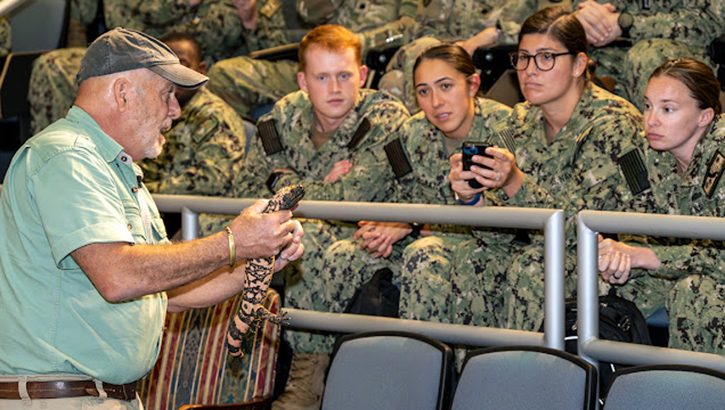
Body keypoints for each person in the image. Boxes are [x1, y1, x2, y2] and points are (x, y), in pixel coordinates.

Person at [0, 28, 303, 410]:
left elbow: (170, 294)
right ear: (123, 92)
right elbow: (119, 276)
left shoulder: (116, 170)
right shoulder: (66, 157)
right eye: (167, 95)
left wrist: (258, 261)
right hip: (60, 399)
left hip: (104, 398)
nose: (176, 110)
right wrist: (234, 241)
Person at [228, 24, 409, 410]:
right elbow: (245, 188)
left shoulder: (385, 116)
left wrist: (286, 179)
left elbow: (354, 196)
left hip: (371, 237)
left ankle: (307, 379)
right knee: (216, 236)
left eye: (345, 75)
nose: (335, 88)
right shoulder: (282, 116)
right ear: (303, 81)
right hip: (295, 229)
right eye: (322, 77)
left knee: (310, 244)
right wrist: (313, 184)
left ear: (362, 75)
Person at [448, 7, 649, 336]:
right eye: (523, 58)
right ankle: (476, 378)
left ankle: (532, 382)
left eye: (545, 58)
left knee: (535, 266)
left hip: (602, 266)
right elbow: (497, 237)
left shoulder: (612, 123)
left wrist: (515, 183)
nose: (529, 70)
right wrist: (470, 198)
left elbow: (585, 232)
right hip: (535, 253)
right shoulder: (517, 122)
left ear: (579, 64)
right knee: (471, 258)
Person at [320, 43, 512, 327]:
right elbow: (404, 197)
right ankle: (325, 359)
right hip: (421, 240)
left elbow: (507, 220)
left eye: (445, 86)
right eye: (424, 91)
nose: (436, 102)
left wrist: (413, 223)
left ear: (472, 85)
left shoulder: (505, 128)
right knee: (343, 256)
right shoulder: (412, 132)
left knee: (422, 257)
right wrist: (391, 225)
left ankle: (427, 365)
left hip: (487, 249)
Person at [598, 58, 725, 354]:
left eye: (667, 109)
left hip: (707, 281)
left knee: (694, 293)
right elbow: (635, 234)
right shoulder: (642, 156)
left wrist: (649, 256)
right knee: (595, 290)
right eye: (647, 106)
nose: (651, 120)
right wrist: (621, 263)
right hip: (679, 272)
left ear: (704, 117)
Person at [29, 0, 289, 134]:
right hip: (135, 63)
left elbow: (274, 56)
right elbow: (119, 19)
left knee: (224, 76)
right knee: (52, 65)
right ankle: (59, 158)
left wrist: (250, 20)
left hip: (204, 74)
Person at [205, 0, 418, 122]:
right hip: (317, 64)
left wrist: (359, 42)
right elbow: (307, 12)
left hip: (370, 66)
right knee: (224, 75)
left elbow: (411, 26)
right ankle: (250, 147)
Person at [138, 32, 250, 199]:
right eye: (165, 67)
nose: (174, 74)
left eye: (183, 65)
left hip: (197, 216)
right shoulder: (149, 110)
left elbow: (213, 180)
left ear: (201, 70)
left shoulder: (215, 116)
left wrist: (142, 191)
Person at [572, 0, 723, 108]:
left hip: (681, 51)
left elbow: (708, 24)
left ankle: (663, 149)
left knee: (648, 57)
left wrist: (625, 24)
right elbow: (584, 13)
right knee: (564, 65)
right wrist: (581, 22)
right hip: (609, 54)